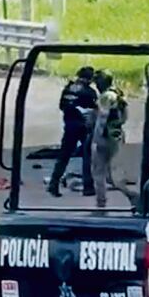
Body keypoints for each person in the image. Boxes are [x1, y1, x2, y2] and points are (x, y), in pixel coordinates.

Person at [47, 67, 98, 198]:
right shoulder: (89, 92)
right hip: (83, 127)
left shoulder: (68, 89)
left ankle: (53, 183)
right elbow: (95, 110)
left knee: (64, 156)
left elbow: (62, 106)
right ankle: (88, 187)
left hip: (69, 125)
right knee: (88, 156)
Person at [91, 71, 137, 208]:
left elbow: (102, 119)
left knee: (99, 172)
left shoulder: (106, 97)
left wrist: (95, 138)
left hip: (105, 137)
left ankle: (101, 203)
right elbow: (124, 117)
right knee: (112, 175)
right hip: (116, 135)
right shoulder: (118, 94)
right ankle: (131, 196)